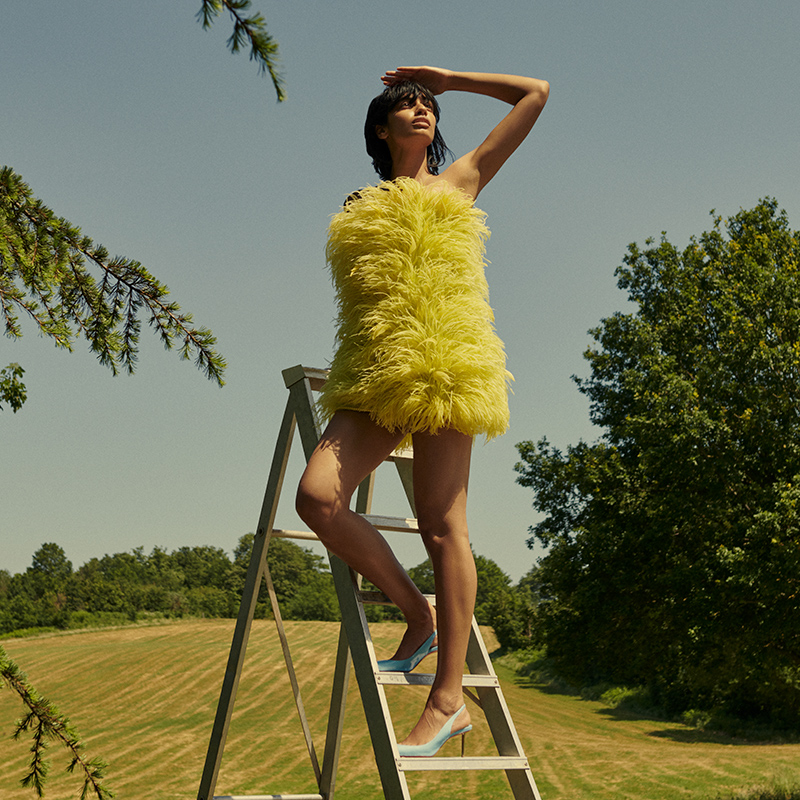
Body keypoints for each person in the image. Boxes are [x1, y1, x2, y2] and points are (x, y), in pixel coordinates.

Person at [296, 65, 549, 757]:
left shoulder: (462, 180)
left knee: (444, 526)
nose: (420, 111)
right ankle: (418, 615)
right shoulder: (362, 202)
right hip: (378, 372)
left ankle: (447, 701)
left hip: (448, 361)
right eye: (406, 105)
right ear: (381, 128)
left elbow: (536, 93)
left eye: (426, 105)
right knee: (317, 498)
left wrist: (447, 77)